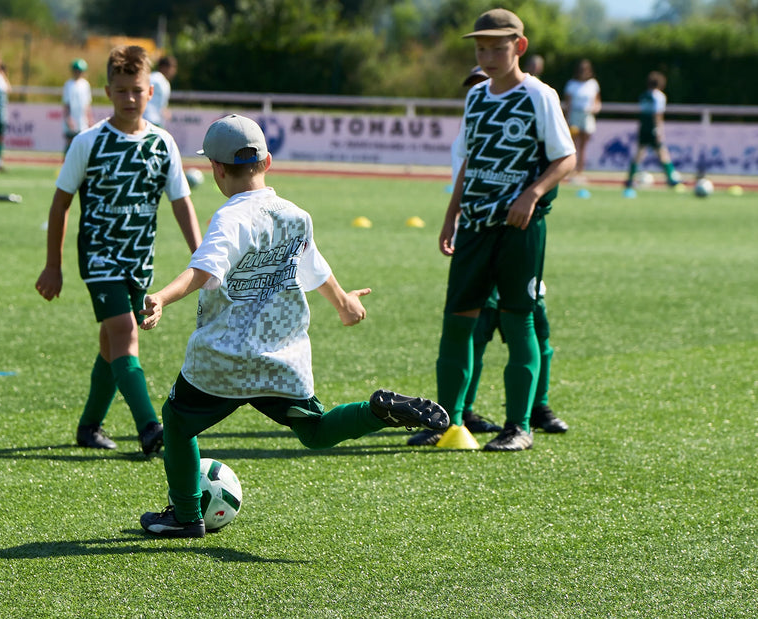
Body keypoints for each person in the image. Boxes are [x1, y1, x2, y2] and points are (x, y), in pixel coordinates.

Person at [137, 115, 449, 538]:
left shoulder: (231, 217)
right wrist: (345, 304)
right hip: (282, 356)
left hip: (224, 356)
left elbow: (203, 269)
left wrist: (161, 297)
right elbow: (314, 267)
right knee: (316, 432)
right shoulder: (295, 215)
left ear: (217, 170)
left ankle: (187, 516)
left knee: (176, 421)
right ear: (267, 160)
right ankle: (376, 413)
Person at [413, 8, 575, 452]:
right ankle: (446, 422)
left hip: (520, 229)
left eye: (496, 47)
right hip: (475, 227)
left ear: (518, 47)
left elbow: (567, 158)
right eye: (480, 48)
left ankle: (519, 426)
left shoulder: (539, 95)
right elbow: (468, 162)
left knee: (518, 319)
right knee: (457, 323)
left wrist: (532, 194)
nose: (487, 55)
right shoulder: (477, 96)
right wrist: (451, 217)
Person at [36, 45, 202, 456]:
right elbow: (60, 204)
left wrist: (202, 257)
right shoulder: (88, 142)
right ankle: (150, 427)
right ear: (107, 92)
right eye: (122, 90)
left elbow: (181, 203)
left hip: (138, 260)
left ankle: (89, 426)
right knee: (126, 334)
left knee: (112, 345)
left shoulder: (163, 145)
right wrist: (53, 266)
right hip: (98, 256)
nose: (130, 98)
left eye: (137, 90)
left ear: (151, 92)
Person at [624, 71, 681, 189]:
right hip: (653, 128)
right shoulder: (659, 96)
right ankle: (671, 178)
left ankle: (630, 179)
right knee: (662, 152)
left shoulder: (643, 95)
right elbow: (658, 114)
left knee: (639, 153)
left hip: (643, 127)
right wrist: (659, 129)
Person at [563, 59, 601, 183]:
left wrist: (595, 108)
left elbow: (597, 102)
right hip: (574, 116)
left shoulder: (593, 84)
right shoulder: (571, 84)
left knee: (583, 146)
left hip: (587, 116)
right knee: (571, 146)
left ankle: (580, 171)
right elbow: (568, 104)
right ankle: (570, 170)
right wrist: (567, 119)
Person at [61, 58, 92, 154]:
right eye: (77, 71)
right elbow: (66, 104)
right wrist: (68, 118)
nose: (78, 73)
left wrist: (89, 118)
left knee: (83, 142)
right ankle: (66, 163)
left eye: (80, 71)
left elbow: (87, 104)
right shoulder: (68, 84)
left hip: (82, 120)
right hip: (72, 118)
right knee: (70, 142)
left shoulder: (85, 84)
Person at [144, 55, 176, 127]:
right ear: (163, 67)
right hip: (149, 119)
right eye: (172, 67)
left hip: (157, 120)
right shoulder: (155, 78)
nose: (174, 71)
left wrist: (164, 110)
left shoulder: (164, 81)